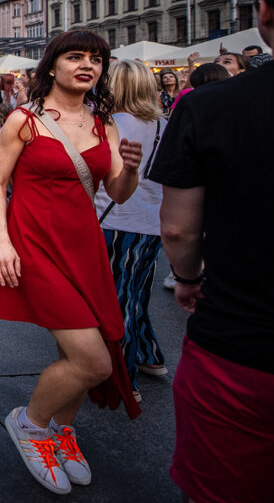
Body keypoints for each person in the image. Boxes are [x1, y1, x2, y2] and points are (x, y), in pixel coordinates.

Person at [150, 0, 274, 503]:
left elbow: (179, 228)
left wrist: (188, 278)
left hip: (247, 349)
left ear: (263, 12)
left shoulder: (209, 106)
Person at [0, 30, 143, 495]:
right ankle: (31, 424)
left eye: (96, 59)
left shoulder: (105, 124)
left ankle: (61, 432)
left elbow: (117, 193)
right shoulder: (23, 120)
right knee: (93, 361)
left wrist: (131, 169)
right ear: (51, 66)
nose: (87, 65)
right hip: (35, 246)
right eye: (75, 56)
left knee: (74, 351)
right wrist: (2, 243)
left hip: (85, 248)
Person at [92, 60, 168, 401]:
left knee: (114, 300)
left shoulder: (108, 125)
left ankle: (124, 377)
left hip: (113, 221)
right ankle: (148, 355)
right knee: (136, 292)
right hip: (152, 223)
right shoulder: (166, 126)